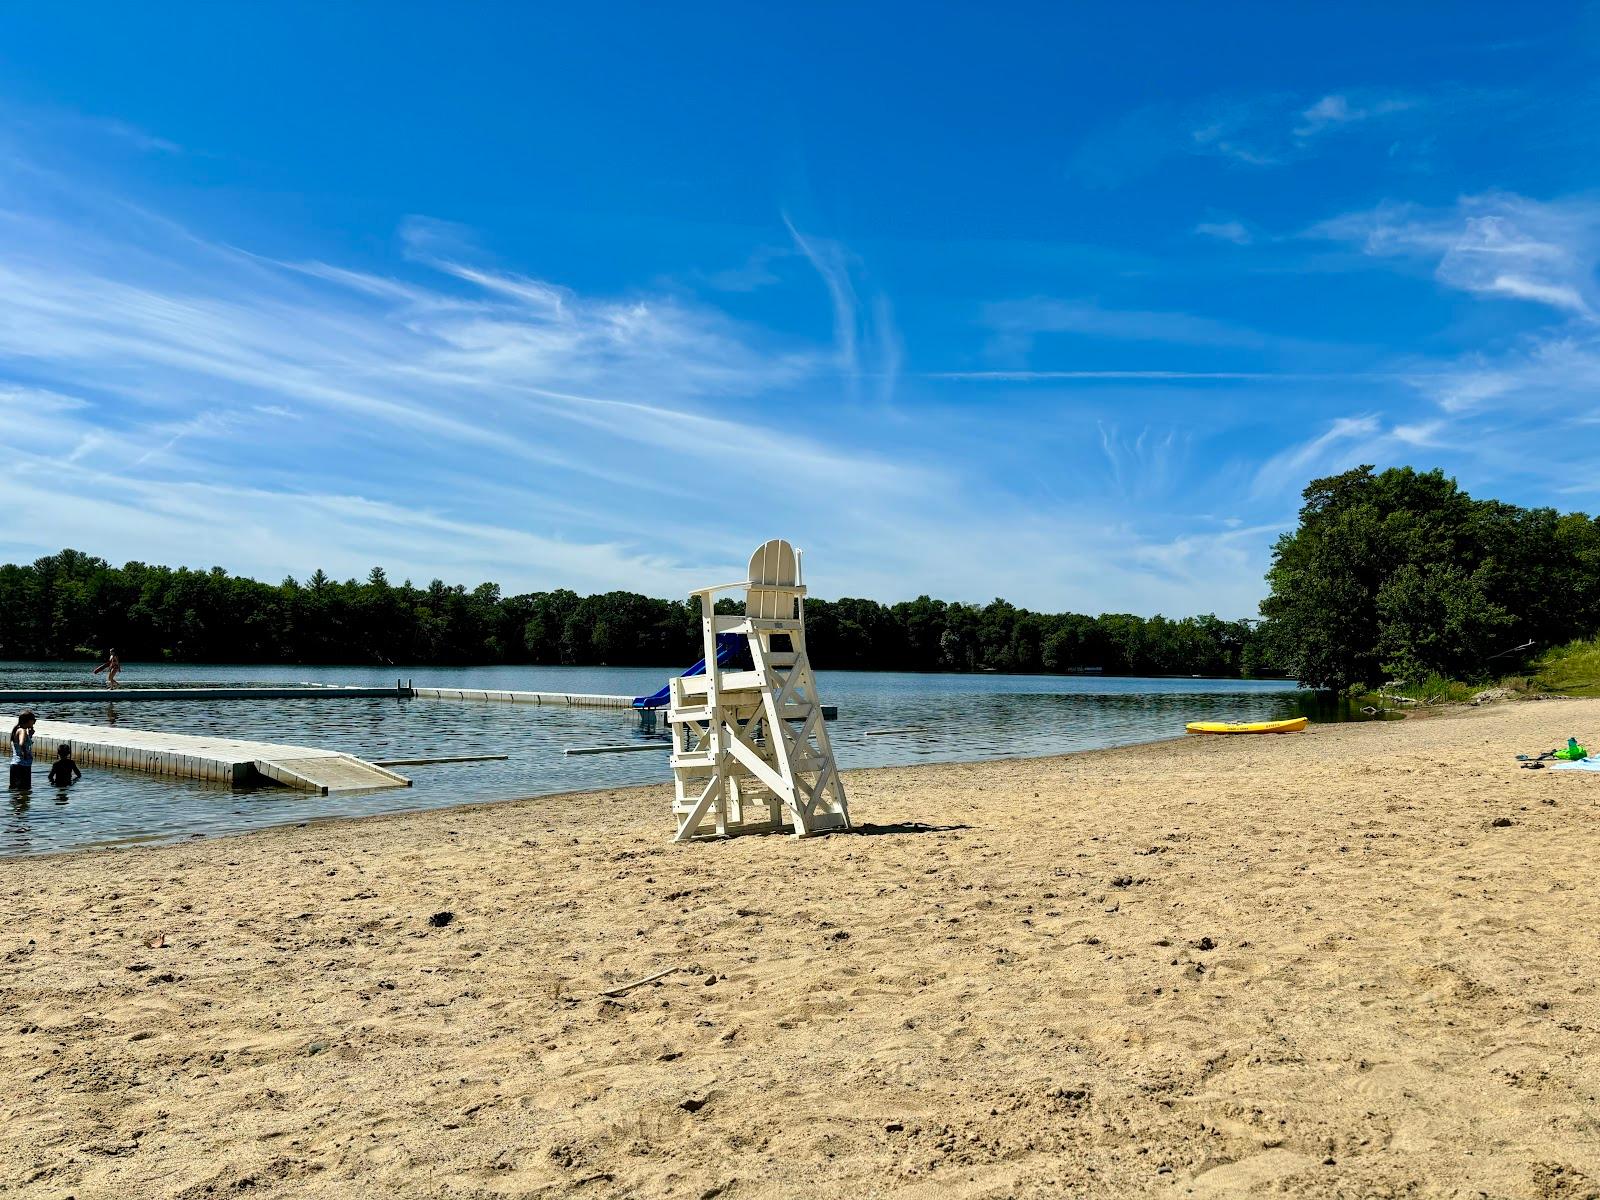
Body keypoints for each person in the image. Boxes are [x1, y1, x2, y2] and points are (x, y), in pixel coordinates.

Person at [9, 710, 36, 789]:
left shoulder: (17, 729)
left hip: (15, 765)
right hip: (23, 766)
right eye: (33, 720)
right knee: (24, 792)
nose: (34, 722)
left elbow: (22, 743)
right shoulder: (22, 731)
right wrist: (25, 754)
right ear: (28, 721)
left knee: (15, 793)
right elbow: (21, 743)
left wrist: (30, 735)